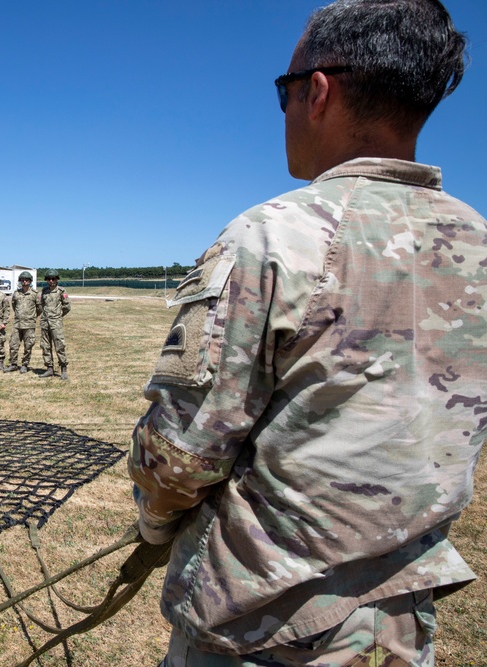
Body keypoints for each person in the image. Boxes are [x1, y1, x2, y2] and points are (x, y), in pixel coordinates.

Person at [128, 2, 485, 664]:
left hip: (262, 625)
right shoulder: (478, 242)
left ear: (317, 91)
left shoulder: (276, 236)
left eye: (284, 92)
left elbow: (179, 455)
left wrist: (152, 523)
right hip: (395, 625)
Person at [37, 270, 70, 380]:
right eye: (49, 279)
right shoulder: (44, 291)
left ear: (56, 279)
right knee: (45, 346)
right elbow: (42, 305)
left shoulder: (61, 291)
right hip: (45, 322)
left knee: (59, 345)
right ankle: (49, 368)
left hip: (56, 323)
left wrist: (58, 316)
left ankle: (63, 368)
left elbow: (67, 307)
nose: (51, 281)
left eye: (53, 279)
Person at [4, 271, 39, 374]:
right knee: (13, 345)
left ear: (30, 281)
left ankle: (24, 364)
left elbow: (39, 308)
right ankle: (13, 364)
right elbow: (14, 305)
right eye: (23, 280)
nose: (24, 282)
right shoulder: (16, 293)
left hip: (29, 324)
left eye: (27, 280)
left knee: (28, 345)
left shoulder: (35, 294)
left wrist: (31, 316)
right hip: (17, 324)